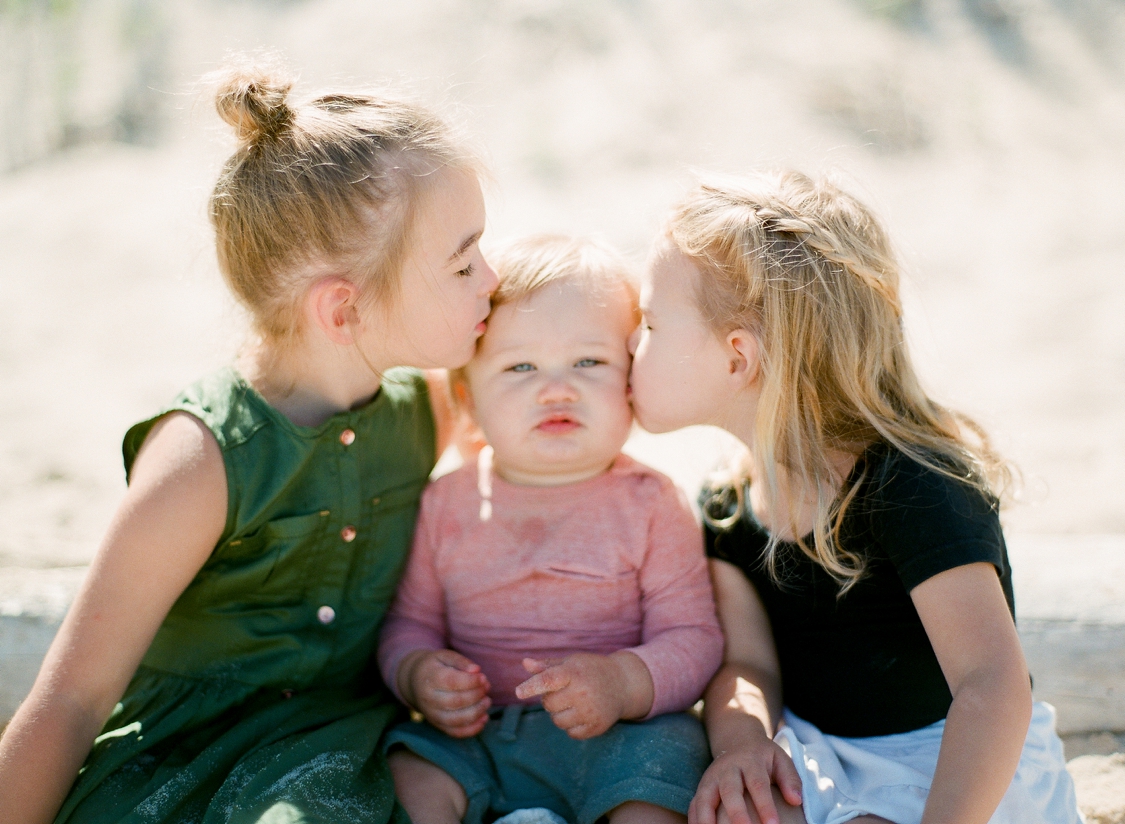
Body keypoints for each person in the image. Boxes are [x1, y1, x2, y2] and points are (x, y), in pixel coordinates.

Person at [0, 62, 498, 824]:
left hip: (334, 754)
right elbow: (72, 696)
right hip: (184, 763)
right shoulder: (201, 459)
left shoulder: (430, 407)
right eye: (463, 263)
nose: (491, 280)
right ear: (342, 311)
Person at [627, 170, 1084, 824]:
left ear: (737, 359)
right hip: (825, 756)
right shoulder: (728, 502)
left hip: (957, 764)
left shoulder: (915, 487)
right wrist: (742, 743)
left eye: (648, 323)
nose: (627, 343)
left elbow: (991, 687)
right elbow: (749, 664)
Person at [377, 235, 725, 824]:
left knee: (665, 767)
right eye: (520, 367)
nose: (557, 388)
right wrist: (418, 674)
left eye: (589, 362)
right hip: (477, 735)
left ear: (631, 382)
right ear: (466, 398)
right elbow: (409, 623)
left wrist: (623, 681)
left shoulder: (651, 503)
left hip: (618, 736)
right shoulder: (447, 503)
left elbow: (693, 638)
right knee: (408, 775)